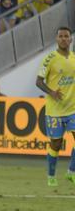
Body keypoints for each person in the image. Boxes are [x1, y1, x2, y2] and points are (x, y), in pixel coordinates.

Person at [35, 27, 75, 186]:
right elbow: (38, 81)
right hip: (55, 111)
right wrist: (51, 92)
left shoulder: (74, 58)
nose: (64, 39)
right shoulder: (49, 59)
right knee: (56, 144)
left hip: (73, 109)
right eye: (61, 36)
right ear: (57, 39)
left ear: (70, 40)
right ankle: (51, 175)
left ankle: (71, 172)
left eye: (66, 36)